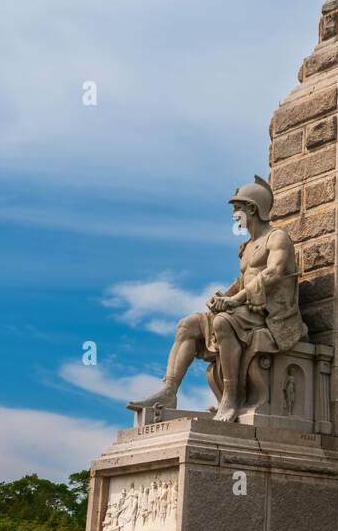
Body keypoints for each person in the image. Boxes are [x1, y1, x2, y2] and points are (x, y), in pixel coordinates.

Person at [127, 178, 306, 423]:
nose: (234, 215)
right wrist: (225, 296)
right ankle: (169, 392)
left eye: (237, 209)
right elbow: (244, 281)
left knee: (222, 322)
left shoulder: (277, 238)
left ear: (252, 209)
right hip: (246, 310)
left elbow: (273, 273)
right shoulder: (247, 246)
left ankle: (232, 398)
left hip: (272, 315)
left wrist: (235, 301)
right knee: (187, 325)